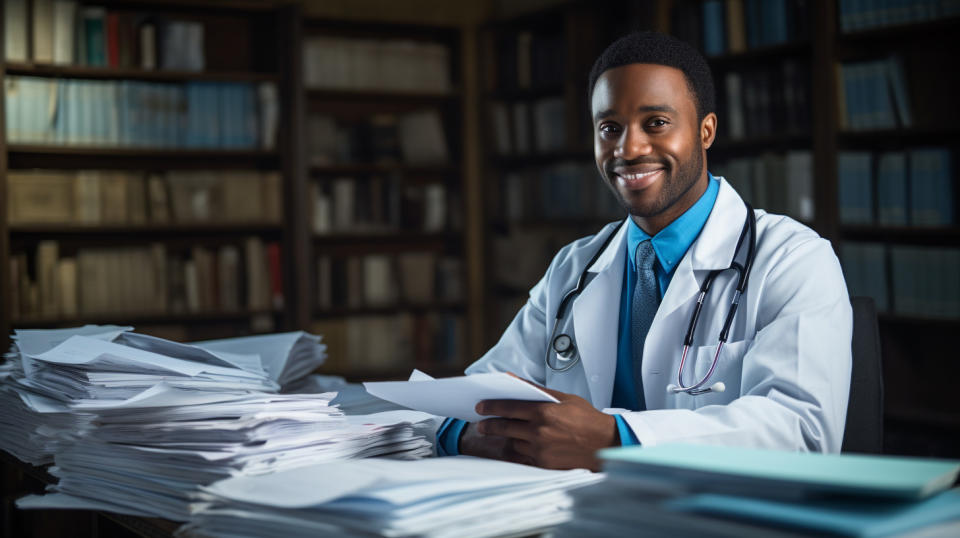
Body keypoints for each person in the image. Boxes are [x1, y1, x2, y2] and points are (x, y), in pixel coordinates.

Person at [435, 32, 852, 471]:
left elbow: (802, 431)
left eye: (656, 122)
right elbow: (479, 393)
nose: (628, 150)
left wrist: (616, 440)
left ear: (706, 131)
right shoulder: (575, 266)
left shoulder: (793, 260)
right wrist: (468, 434)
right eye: (609, 128)